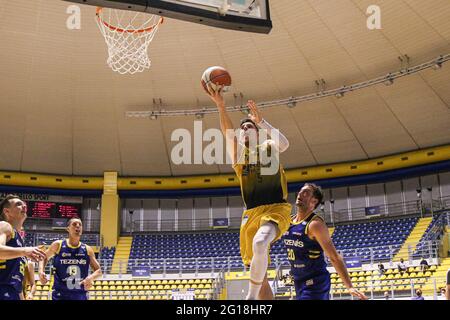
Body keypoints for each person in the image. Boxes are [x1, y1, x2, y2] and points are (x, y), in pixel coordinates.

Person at [208, 86, 292, 300]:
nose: (245, 129)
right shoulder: (238, 156)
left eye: (249, 126)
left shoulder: (269, 146)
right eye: (242, 128)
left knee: (261, 242)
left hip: (275, 208)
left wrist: (261, 121)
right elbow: (227, 132)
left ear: (257, 131)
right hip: (251, 214)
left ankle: (250, 298)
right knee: (260, 276)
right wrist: (220, 106)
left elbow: (285, 143)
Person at [283, 184, 367, 300]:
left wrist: (349, 286)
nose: (300, 194)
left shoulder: (315, 224)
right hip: (298, 281)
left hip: (315, 282)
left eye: (306, 193)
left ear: (314, 201)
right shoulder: (288, 222)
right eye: (300, 191)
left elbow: (334, 257)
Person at [39, 217, 102, 300]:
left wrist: (91, 278)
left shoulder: (87, 249)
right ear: (68, 229)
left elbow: (99, 271)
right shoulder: (58, 245)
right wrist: (40, 271)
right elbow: (43, 257)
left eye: (80, 225)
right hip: (60, 294)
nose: (78, 226)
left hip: (80, 294)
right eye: (74, 224)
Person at [0, 194, 46, 300]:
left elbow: (17, 280)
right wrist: (25, 251)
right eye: (18, 204)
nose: (24, 206)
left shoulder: (19, 240)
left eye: (24, 204)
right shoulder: (4, 225)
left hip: (13, 292)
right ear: (7, 211)